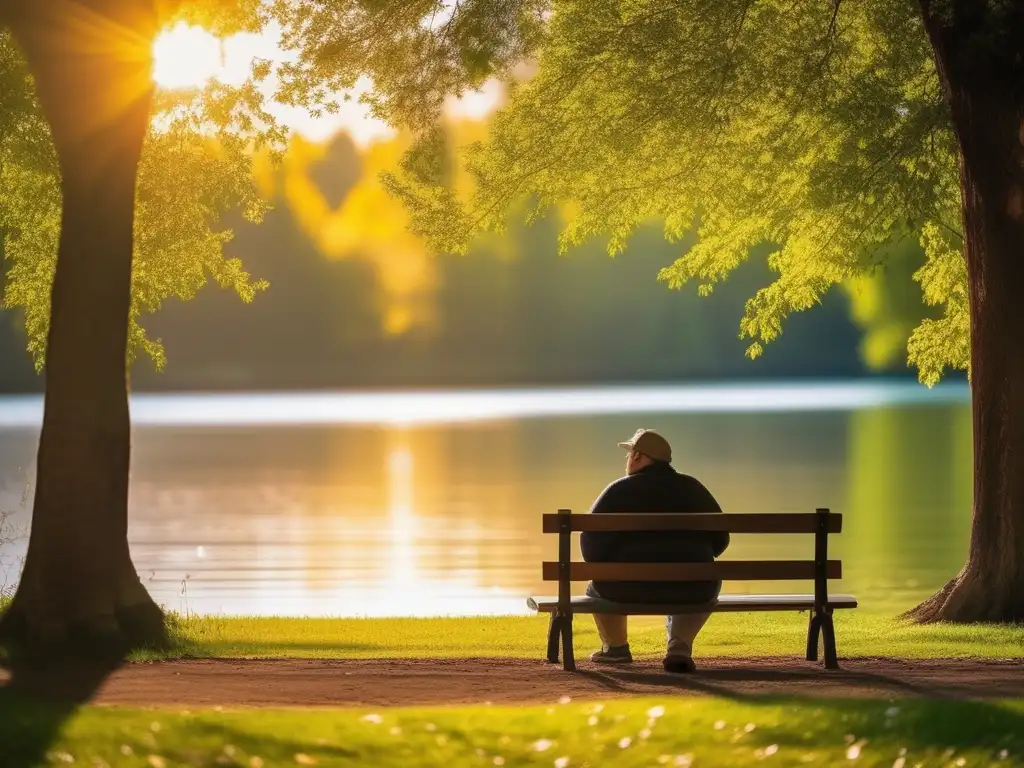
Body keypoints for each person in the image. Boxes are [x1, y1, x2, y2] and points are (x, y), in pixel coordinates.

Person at [580, 428, 729, 673]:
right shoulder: (693, 488)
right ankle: (679, 647)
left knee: (595, 585)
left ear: (638, 457)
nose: (627, 460)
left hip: (622, 589)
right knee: (705, 577)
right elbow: (720, 541)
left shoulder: (617, 491)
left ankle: (615, 648)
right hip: (691, 588)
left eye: (628, 455)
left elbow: (591, 548)